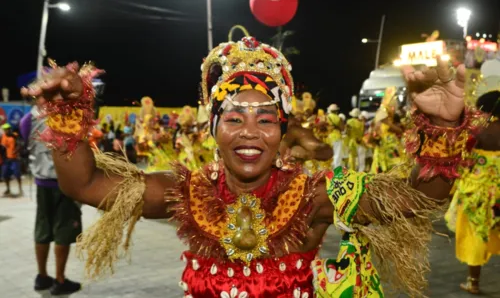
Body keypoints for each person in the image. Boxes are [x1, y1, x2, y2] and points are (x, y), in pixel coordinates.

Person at [22, 40, 480, 297]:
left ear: (282, 131)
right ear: (213, 129)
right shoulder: (186, 193)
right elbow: (85, 183)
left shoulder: (316, 194)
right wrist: (68, 112)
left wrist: (442, 129)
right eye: (235, 118)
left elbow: (420, 200)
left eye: (265, 120)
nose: (249, 132)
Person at [19, 98, 82, 295]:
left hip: (40, 182)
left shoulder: (28, 119)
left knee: (43, 228)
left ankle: (42, 277)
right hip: (62, 182)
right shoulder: (67, 116)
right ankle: (60, 280)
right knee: (63, 229)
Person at [445, 90, 500, 294]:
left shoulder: (478, 131)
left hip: (478, 190)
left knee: (475, 234)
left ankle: (473, 282)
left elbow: (463, 159)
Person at [1, 123, 22, 196]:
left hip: (14, 158)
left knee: (17, 174)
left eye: (8, 129)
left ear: (10, 129)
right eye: (5, 129)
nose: (7, 130)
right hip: (6, 159)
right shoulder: (2, 137)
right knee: (5, 175)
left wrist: (16, 150)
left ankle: (20, 189)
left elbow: (20, 144)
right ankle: (8, 189)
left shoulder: (15, 135)